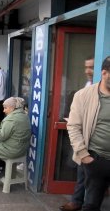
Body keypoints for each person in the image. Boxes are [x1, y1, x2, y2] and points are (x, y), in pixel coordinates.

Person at [66, 56, 110, 211]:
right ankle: (77, 201)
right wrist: (85, 157)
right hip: (95, 159)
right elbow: (73, 126)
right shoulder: (83, 95)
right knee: (91, 205)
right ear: (104, 73)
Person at [59, 56, 94, 211]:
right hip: (84, 135)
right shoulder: (87, 86)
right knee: (81, 170)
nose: (88, 71)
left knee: (93, 177)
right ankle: (77, 201)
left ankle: (85, 203)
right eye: (86, 67)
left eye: (91, 67)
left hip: (97, 139)